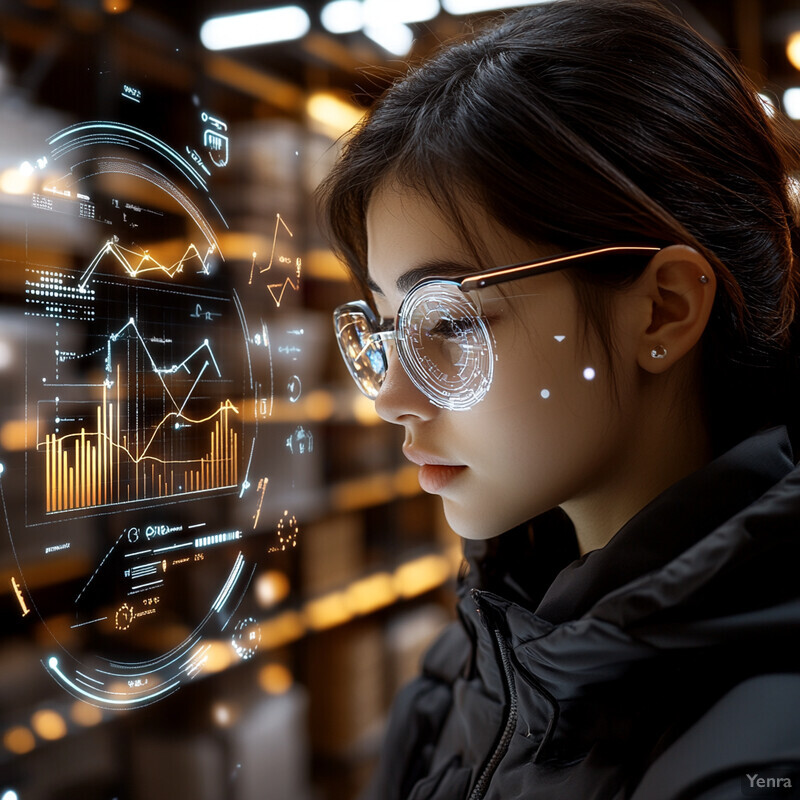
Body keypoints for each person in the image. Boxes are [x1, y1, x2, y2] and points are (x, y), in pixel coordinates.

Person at [318, 0, 800, 797]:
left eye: (450, 322)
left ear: (664, 309)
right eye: (387, 326)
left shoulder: (757, 757)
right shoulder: (487, 651)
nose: (392, 397)